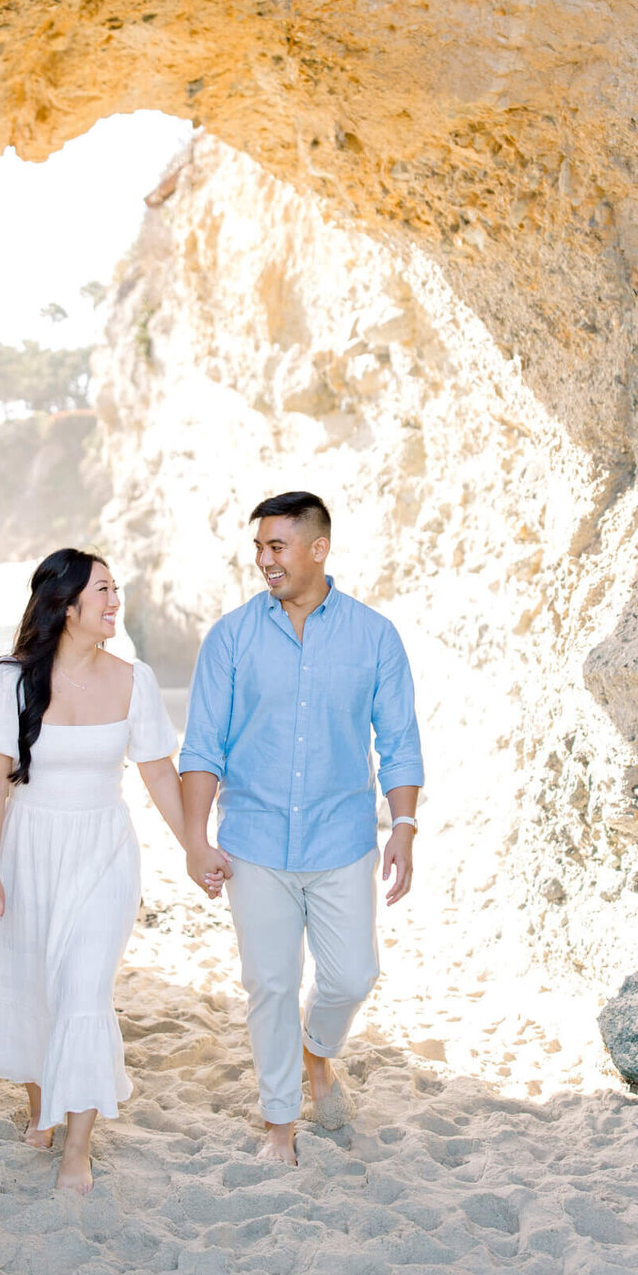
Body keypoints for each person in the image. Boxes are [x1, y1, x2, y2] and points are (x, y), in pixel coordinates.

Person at [0, 548, 184, 1194]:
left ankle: (77, 1150)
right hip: (28, 848)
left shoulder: (135, 679)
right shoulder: (7, 681)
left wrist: (196, 847)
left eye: (117, 589)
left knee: (85, 991)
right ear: (66, 605)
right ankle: (41, 1106)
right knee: (36, 984)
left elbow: (159, 775)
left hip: (104, 851)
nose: (116, 601)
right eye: (104, 591)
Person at [179, 492, 424, 1166]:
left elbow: (399, 740)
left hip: (342, 840)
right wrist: (196, 840)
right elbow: (202, 747)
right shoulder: (231, 638)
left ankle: (319, 1052)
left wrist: (402, 824)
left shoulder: (375, 637)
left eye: (277, 546)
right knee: (271, 984)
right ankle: (279, 1126)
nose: (264, 560)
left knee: (351, 977)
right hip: (253, 842)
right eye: (259, 547)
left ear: (318, 549)